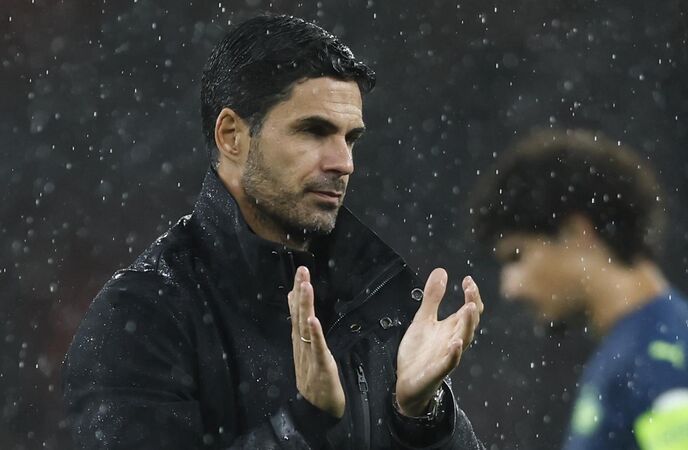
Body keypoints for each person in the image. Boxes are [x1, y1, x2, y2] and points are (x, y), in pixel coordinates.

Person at [63, 14, 485, 449]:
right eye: (314, 131)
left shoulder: (373, 301)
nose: (344, 163)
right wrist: (301, 426)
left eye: (350, 138)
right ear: (231, 136)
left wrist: (421, 419)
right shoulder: (141, 315)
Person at [470, 127, 688, 450]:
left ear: (576, 231)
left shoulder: (658, 359)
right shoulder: (636, 349)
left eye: (517, 255)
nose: (510, 287)